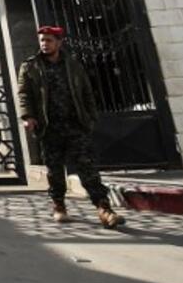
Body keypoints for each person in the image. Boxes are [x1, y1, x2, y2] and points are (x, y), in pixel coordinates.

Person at [17, 25, 126, 229]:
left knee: (88, 168)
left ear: (59, 42)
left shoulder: (73, 64)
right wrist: (28, 116)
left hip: (75, 125)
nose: (44, 44)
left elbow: (86, 91)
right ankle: (59, 205)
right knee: (55, 170)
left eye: (49, 40)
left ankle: (104, 209)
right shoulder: (30, 66)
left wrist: (90, 117)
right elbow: (24, 94)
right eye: (42, 40)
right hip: (49, 127)